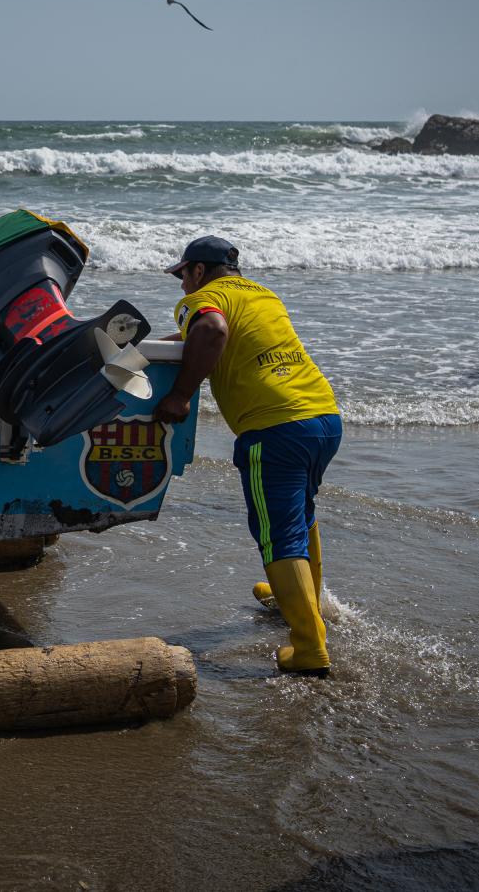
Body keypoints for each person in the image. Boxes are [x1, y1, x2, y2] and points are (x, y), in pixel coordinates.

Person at [152, 236, 342, 675]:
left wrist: (180, 395)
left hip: (273, 428)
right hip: (323, 417)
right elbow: (207, 335)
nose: (182, 286)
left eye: (182, 275)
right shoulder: (262, 294)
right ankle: (299, 601)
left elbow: (212, 331)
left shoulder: (205, 298)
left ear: (198, 271)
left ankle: (309, 648)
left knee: (277, 534)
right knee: (299, 515)